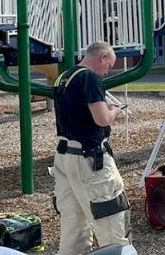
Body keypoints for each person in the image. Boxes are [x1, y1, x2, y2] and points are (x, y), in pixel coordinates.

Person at [52, 42, 131, 254]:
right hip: (89, 159)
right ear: (102, 57)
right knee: (109, 222)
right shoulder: (89, 78)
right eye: (109, 65)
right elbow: (101, 119)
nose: (107, 72)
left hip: (64, 156)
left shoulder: (64, 77)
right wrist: (114, 111)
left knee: (73, 226)